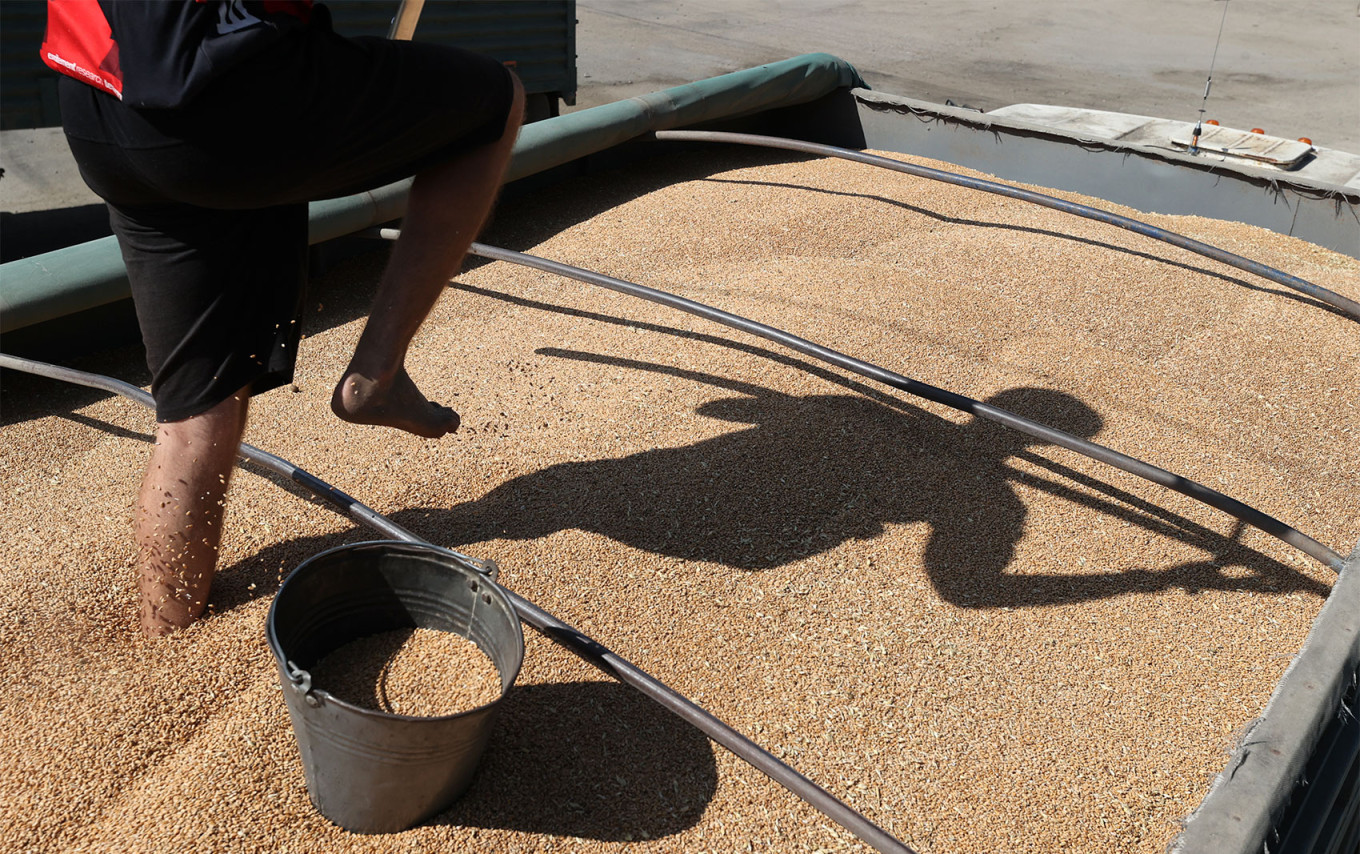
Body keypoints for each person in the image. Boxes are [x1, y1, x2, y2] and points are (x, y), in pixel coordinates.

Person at [43, 0, 525, 636]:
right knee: (498, 101)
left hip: (102, 104)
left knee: (191, 418)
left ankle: (165, 638)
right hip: (224, 104)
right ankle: (378, 372)